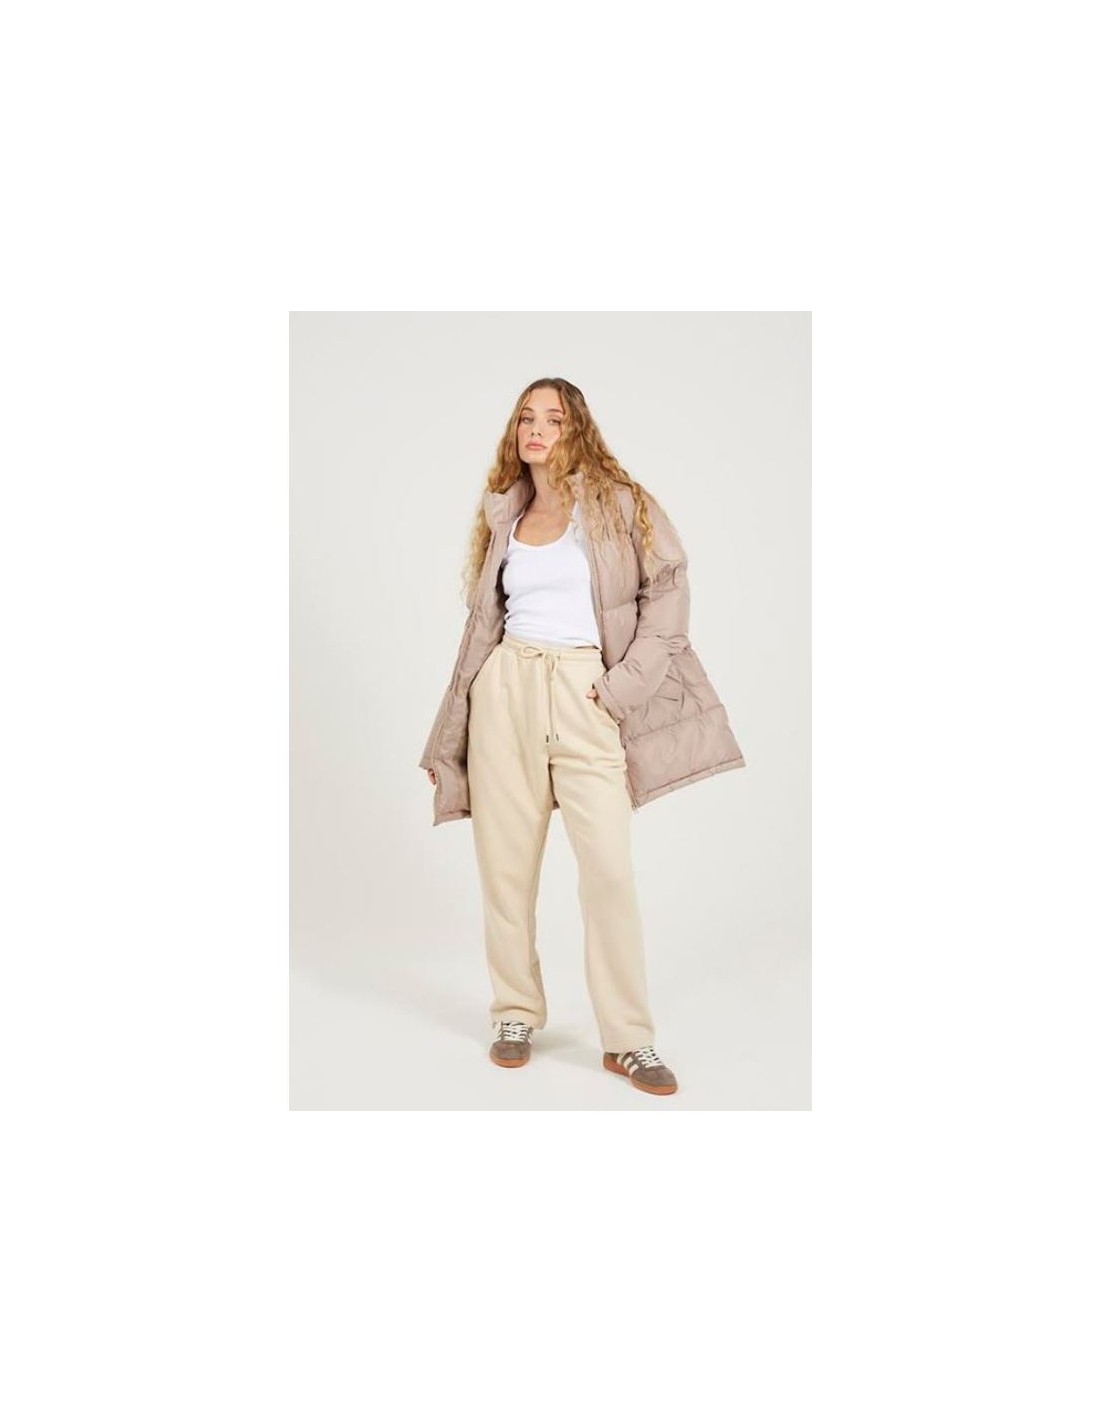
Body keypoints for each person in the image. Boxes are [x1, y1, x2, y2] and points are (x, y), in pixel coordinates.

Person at [420, 378, 746, 1096]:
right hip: (505, 689)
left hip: (584, 691)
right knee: (505, 869)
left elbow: (668, 595)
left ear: (578, 429)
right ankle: (515, 1012)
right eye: (526, 418)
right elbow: (480, 632)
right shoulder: (505, 513)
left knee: (608, 873)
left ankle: (628, 1039)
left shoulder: (620, 505)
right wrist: (452, 736)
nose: (536, 429)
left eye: (553, 418)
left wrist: (617, 688)